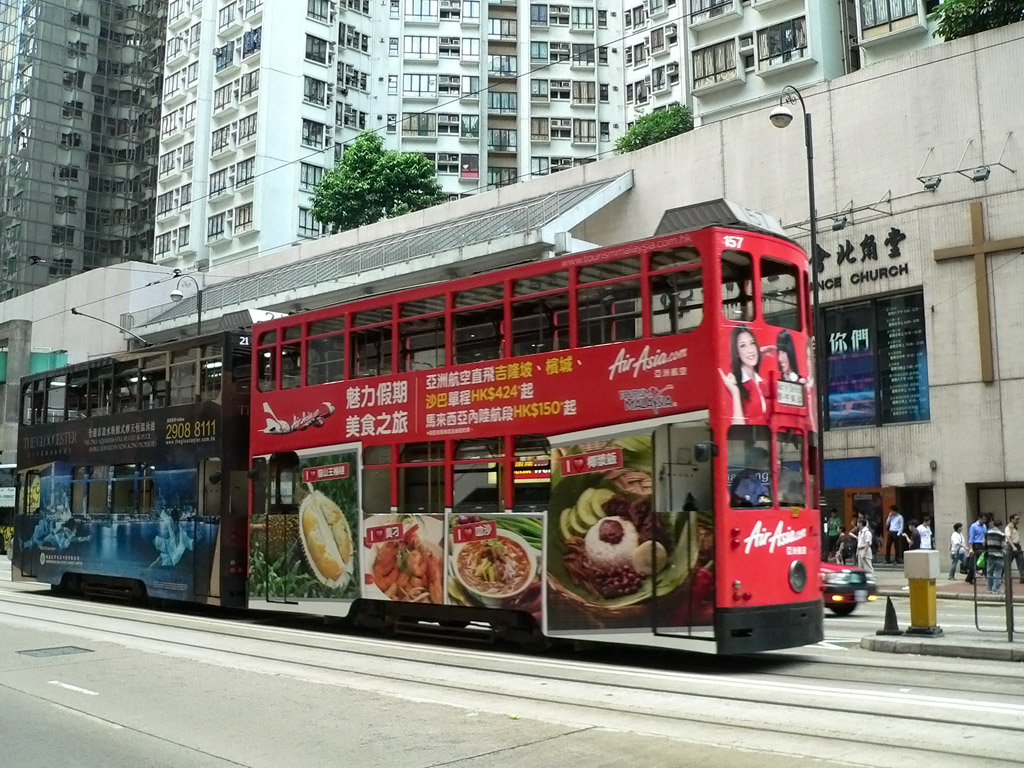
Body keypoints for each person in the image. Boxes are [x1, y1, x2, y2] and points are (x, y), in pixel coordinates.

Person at [719, 324, 766, 424]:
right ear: (737, 353)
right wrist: (735, 393)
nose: (750, 350)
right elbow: (737, 430)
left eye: (752, 343)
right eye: (743, 345)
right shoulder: (732, 384)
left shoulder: (762, 382)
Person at [967, 512, 988, 584]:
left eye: (985, 519)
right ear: (979, 518)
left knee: (978, 562)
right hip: (976, 545)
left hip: (983, 545)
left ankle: (969, 577)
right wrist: (971, 548)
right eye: (983, 519)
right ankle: (987, 577)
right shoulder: (973, 526)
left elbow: (985, 535)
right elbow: (971, 537)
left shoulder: (984, 526)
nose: (984, 521)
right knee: (982, 561)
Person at [986, 525, 1006, 594]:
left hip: (989, 554)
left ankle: (989, 589)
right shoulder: (1002, 534)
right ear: (1000, 526)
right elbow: (1003, 545)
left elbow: (984, 543)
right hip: (999, 555)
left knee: (989, 572)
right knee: (997, 573)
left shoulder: (987, 533)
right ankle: (995, 589)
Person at [1005, 514, 1023, 584]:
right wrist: (1013, 546)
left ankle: (1022, 577)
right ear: (1012, 519)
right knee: (1007, 563)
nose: (1018, 520)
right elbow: (1008, 538)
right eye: (1016, 519)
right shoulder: (1008, 527)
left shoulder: (1015, 527)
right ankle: (1005, 577)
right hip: (1011, 546)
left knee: (1021, 562)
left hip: (1017, 546)